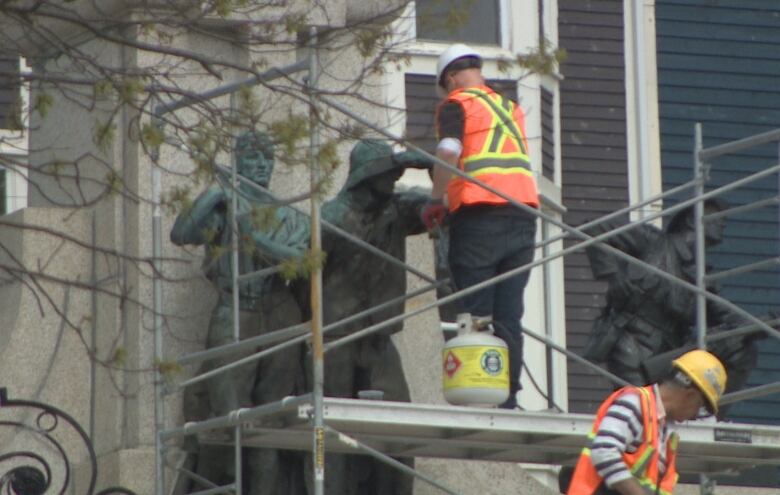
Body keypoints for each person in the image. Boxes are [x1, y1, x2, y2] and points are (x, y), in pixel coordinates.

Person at [170, 130, 309, 493]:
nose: (261, 165)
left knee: (271, 422)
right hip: (234, 309)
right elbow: (182, 233)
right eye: (252, 157)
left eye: (267, 158)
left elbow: (302, 261)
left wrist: (253, 237)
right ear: (237, 162)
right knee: (228, 416)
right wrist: (215, 193)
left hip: (280, 311)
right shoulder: (224, 204)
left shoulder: (292, 216)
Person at [421, 43, 540, 409]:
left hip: (479, 214)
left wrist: (436, 197)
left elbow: (448, 152)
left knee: (474, 312)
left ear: (451, 78)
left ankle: (477, 395)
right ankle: (508, 399)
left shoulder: (458, 104)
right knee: (509, 313)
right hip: (522, 214)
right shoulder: (509, 108)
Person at [583, 198, 758, 407]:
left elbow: (732, 318)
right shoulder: (653, 242)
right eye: (716, 217)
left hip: (671, 357)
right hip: (633, 342)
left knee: (740, 347)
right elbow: (595, 229)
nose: (723, 223)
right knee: (640, 409)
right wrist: (613, 276)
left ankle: (707, 415)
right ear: (693, 221)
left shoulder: (704, 279)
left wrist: (766, 324)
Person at [562, 349, 727, 495]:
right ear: (689, 395)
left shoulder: (665, 431)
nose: (695, 415)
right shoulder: (635, 403)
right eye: (699, 407)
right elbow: (603, 451)